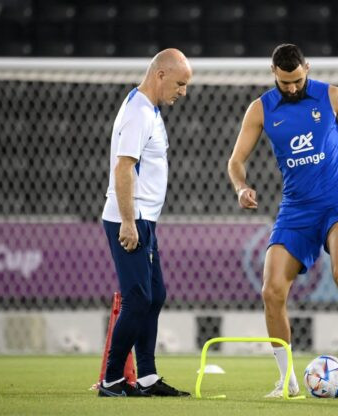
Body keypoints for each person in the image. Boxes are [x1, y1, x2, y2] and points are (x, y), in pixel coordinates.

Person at [228, 44, 338, 399]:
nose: (291, 87)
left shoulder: (332, 96)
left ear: (307, 68)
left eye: (297, 80)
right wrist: (241, 187)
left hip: (337, 203)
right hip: (296, 209)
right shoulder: (260, 109)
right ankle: (286, 382)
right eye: (284, 82)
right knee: (271, 291)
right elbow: (236, 160)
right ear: (274, 72)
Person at [98, 48, 192, 397]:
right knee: (138, 299)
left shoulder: (148, 108)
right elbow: (123, 168)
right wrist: (127, 222)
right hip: (130, 219)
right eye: (180, 83)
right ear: (161, 75)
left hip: (144, 219)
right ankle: (111, 379)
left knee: (155, 296)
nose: (183, 92)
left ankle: (148, 377)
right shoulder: (138, 112)